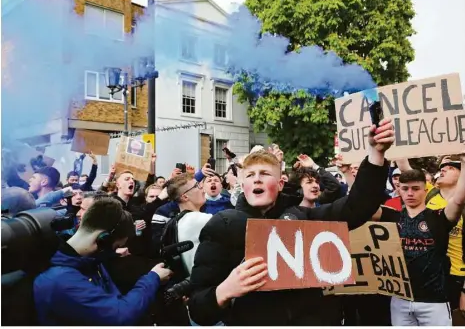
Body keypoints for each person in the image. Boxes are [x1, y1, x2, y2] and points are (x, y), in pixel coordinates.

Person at [188, 118, 395, 326]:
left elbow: (358, 207)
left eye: (265, 174)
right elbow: (198, 308)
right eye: (250, 175)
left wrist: (376, 154)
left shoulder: (305, 218)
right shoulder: (222, 226)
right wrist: (225, 291)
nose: (257, 179)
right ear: (243, 184)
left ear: (280, 184)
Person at [33, 197, 173, 325]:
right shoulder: (59, 280)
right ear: (103, 239)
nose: (115, 252)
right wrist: (152, 279)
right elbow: (120, 316)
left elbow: (114, 298)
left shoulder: (89, 262)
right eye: (116, 247)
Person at [374, 155, 465, 326]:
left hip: (434, 301)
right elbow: (361, 206)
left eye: (415, 188)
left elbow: (459, 200)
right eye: (405, 188)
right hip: (400, 299)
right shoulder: (391, 216)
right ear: (398, 189)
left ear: (426, 190)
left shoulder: (439, 217)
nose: (410, 193)